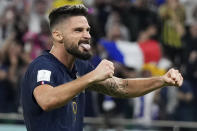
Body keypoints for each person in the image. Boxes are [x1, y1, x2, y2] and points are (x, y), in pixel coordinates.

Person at [21, 4, 183, 131]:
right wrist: (91, 77)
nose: (87, 36)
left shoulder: (80, 67)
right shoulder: (43, 66)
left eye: (87, 30)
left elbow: (122, 87)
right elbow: (46, 100)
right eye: (78, 30)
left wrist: (162, 80)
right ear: (58, 35)